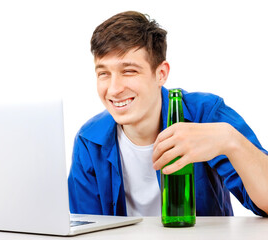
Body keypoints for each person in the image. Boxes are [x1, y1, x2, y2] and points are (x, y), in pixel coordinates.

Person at [68, 11, 268, 217]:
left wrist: (230, 140)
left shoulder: (205, 114)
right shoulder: (89, 141)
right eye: (103, 74)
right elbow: (87, 226)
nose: (114, 89)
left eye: (129, 71)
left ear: (161, 74)